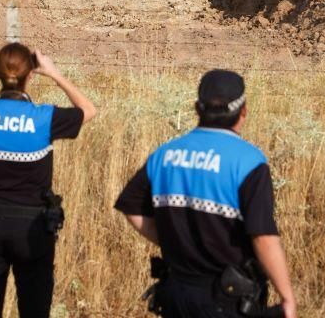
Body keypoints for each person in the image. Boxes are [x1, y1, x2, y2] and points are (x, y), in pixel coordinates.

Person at [115, 69, 297, 318]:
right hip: (226, 298)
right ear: (243, 111)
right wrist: (287, 298)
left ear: (196, 109)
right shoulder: (249, 161)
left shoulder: (165, 154)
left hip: (176, 292)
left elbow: (131, 207)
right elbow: (263, 237)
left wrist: (172, 241)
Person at [0, 43, 96, 318]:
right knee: (34, 310)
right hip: (32, 228)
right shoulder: (44, 117)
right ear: (30, 75)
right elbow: (88, 110)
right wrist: (54, 73)